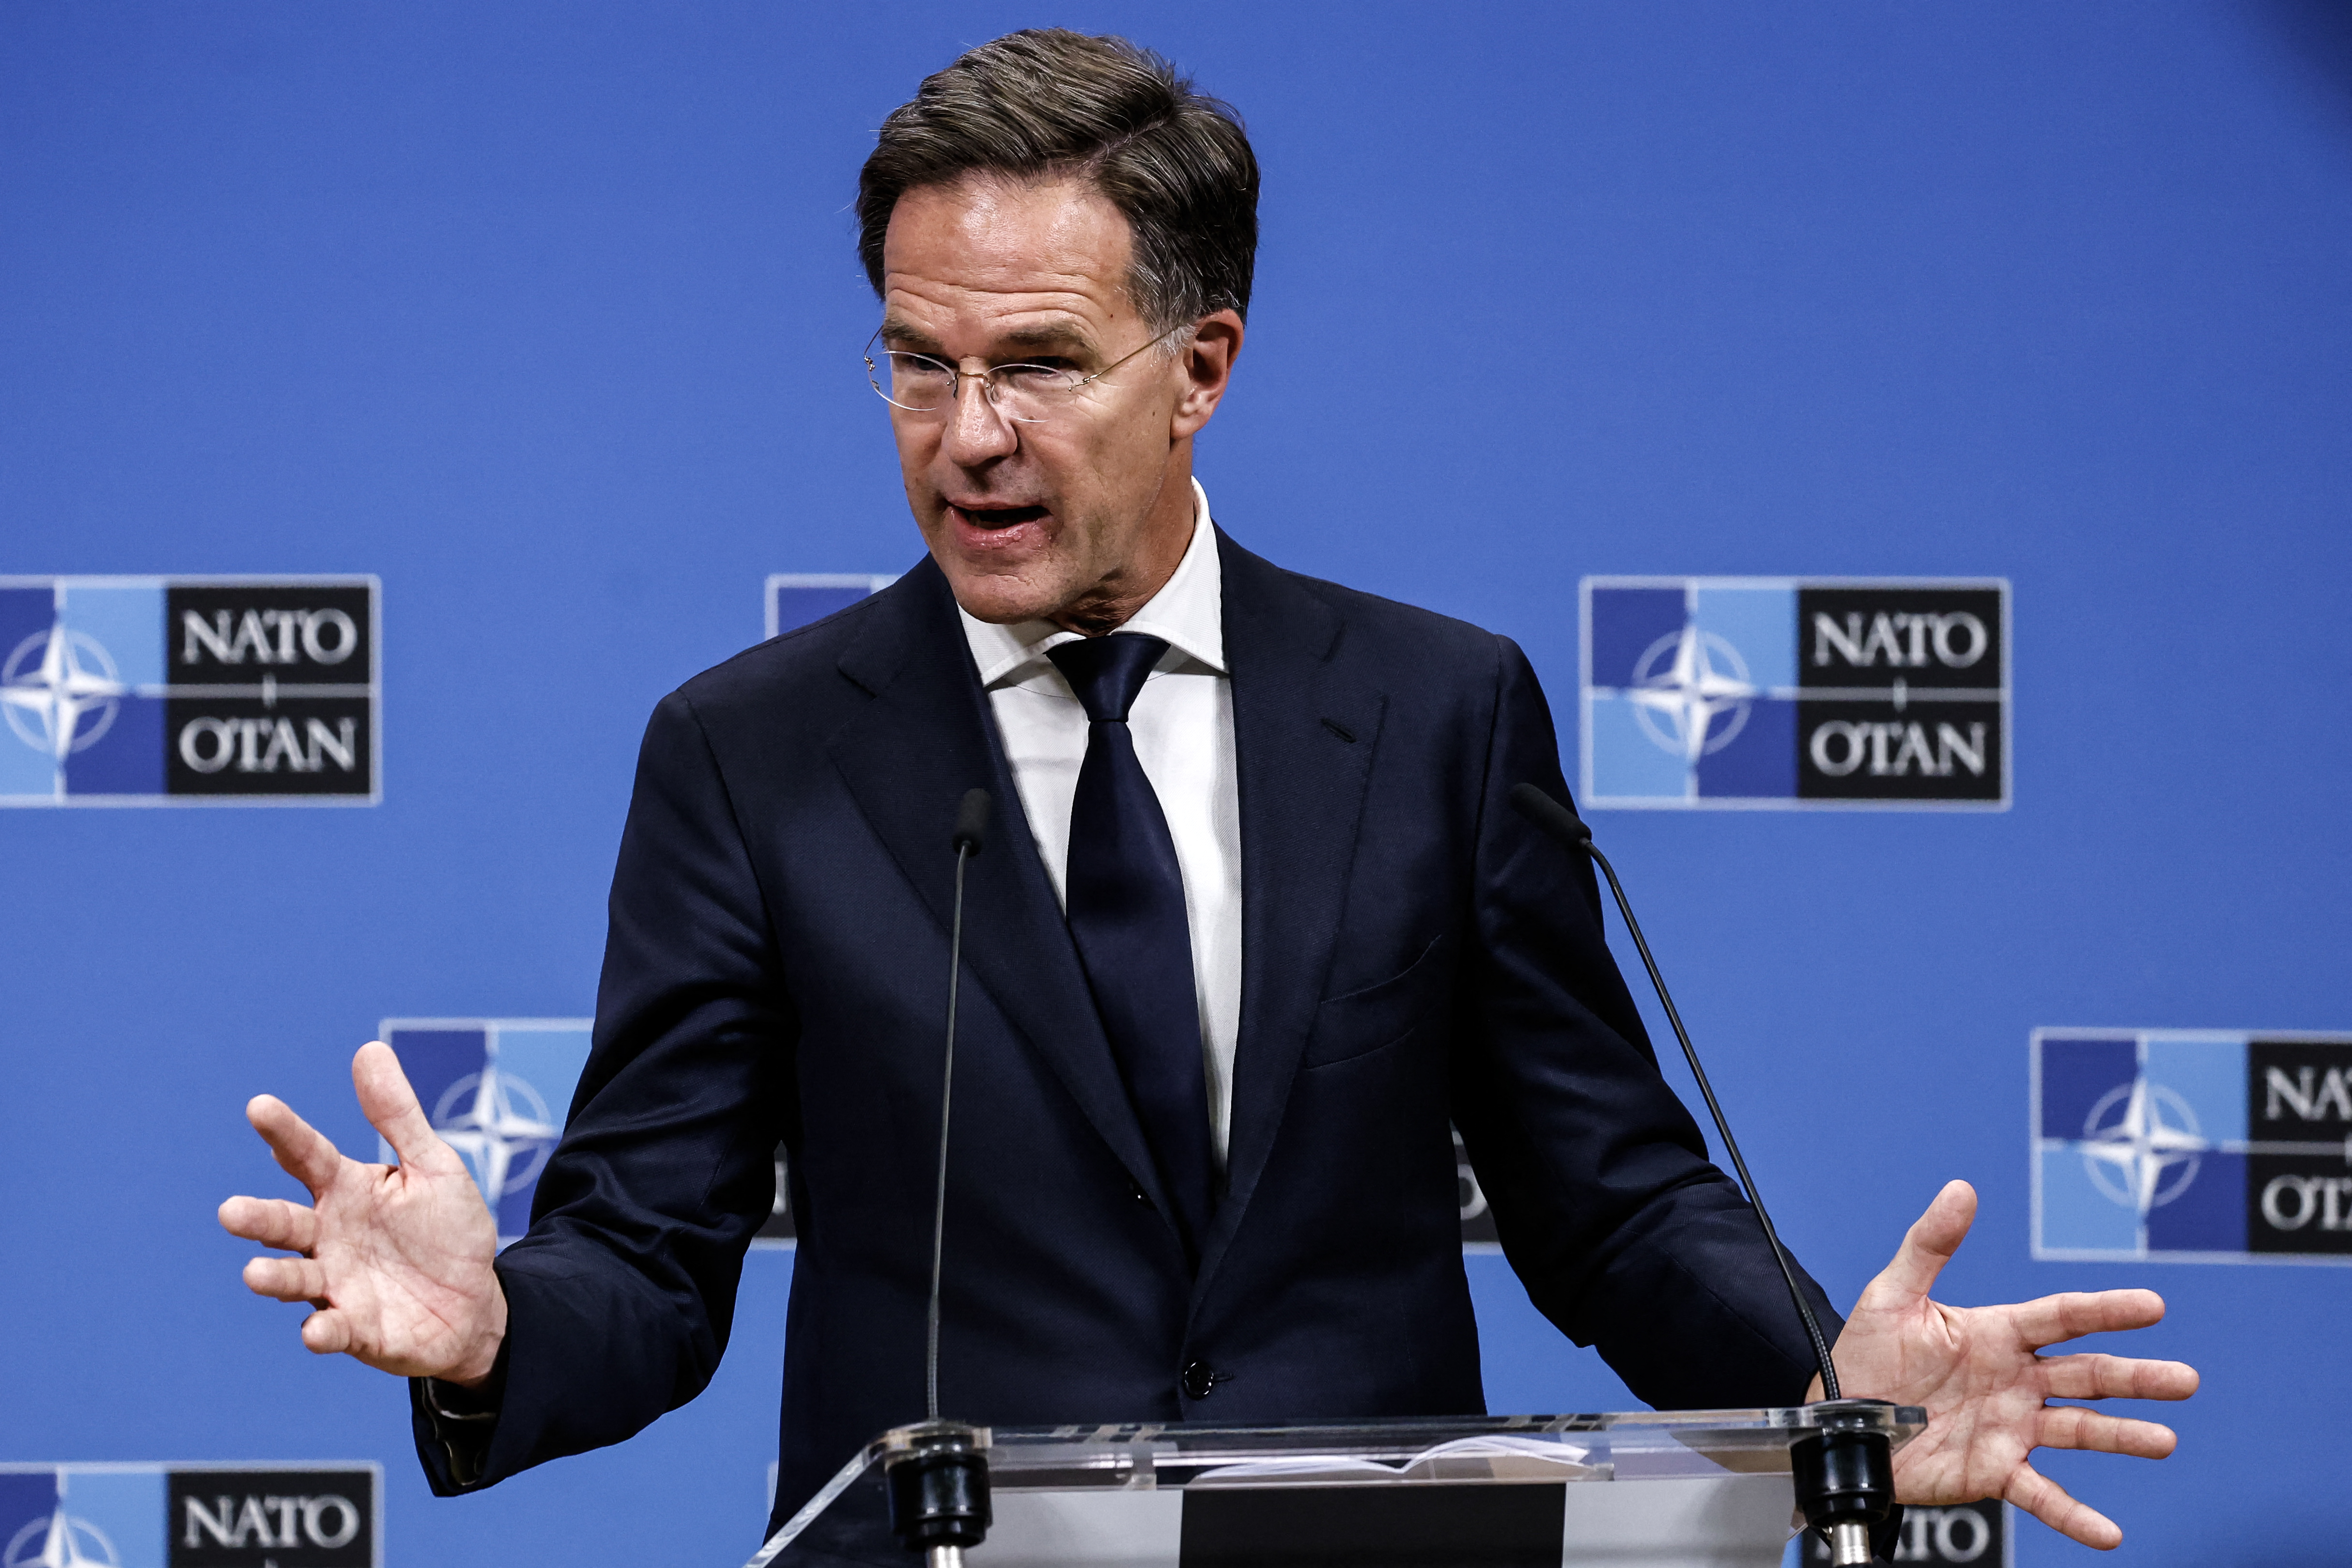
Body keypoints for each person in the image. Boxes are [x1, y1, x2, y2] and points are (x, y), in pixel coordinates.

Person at [219, 28, 2194, 1560]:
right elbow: (649, 1255)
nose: (965, 437)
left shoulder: (1436, 712)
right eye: (917, 363)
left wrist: (1817, 1391)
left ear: (1203, 364)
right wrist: (493, 1340)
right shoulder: (753, 751)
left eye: (1038, 365)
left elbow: (1604, 1199)